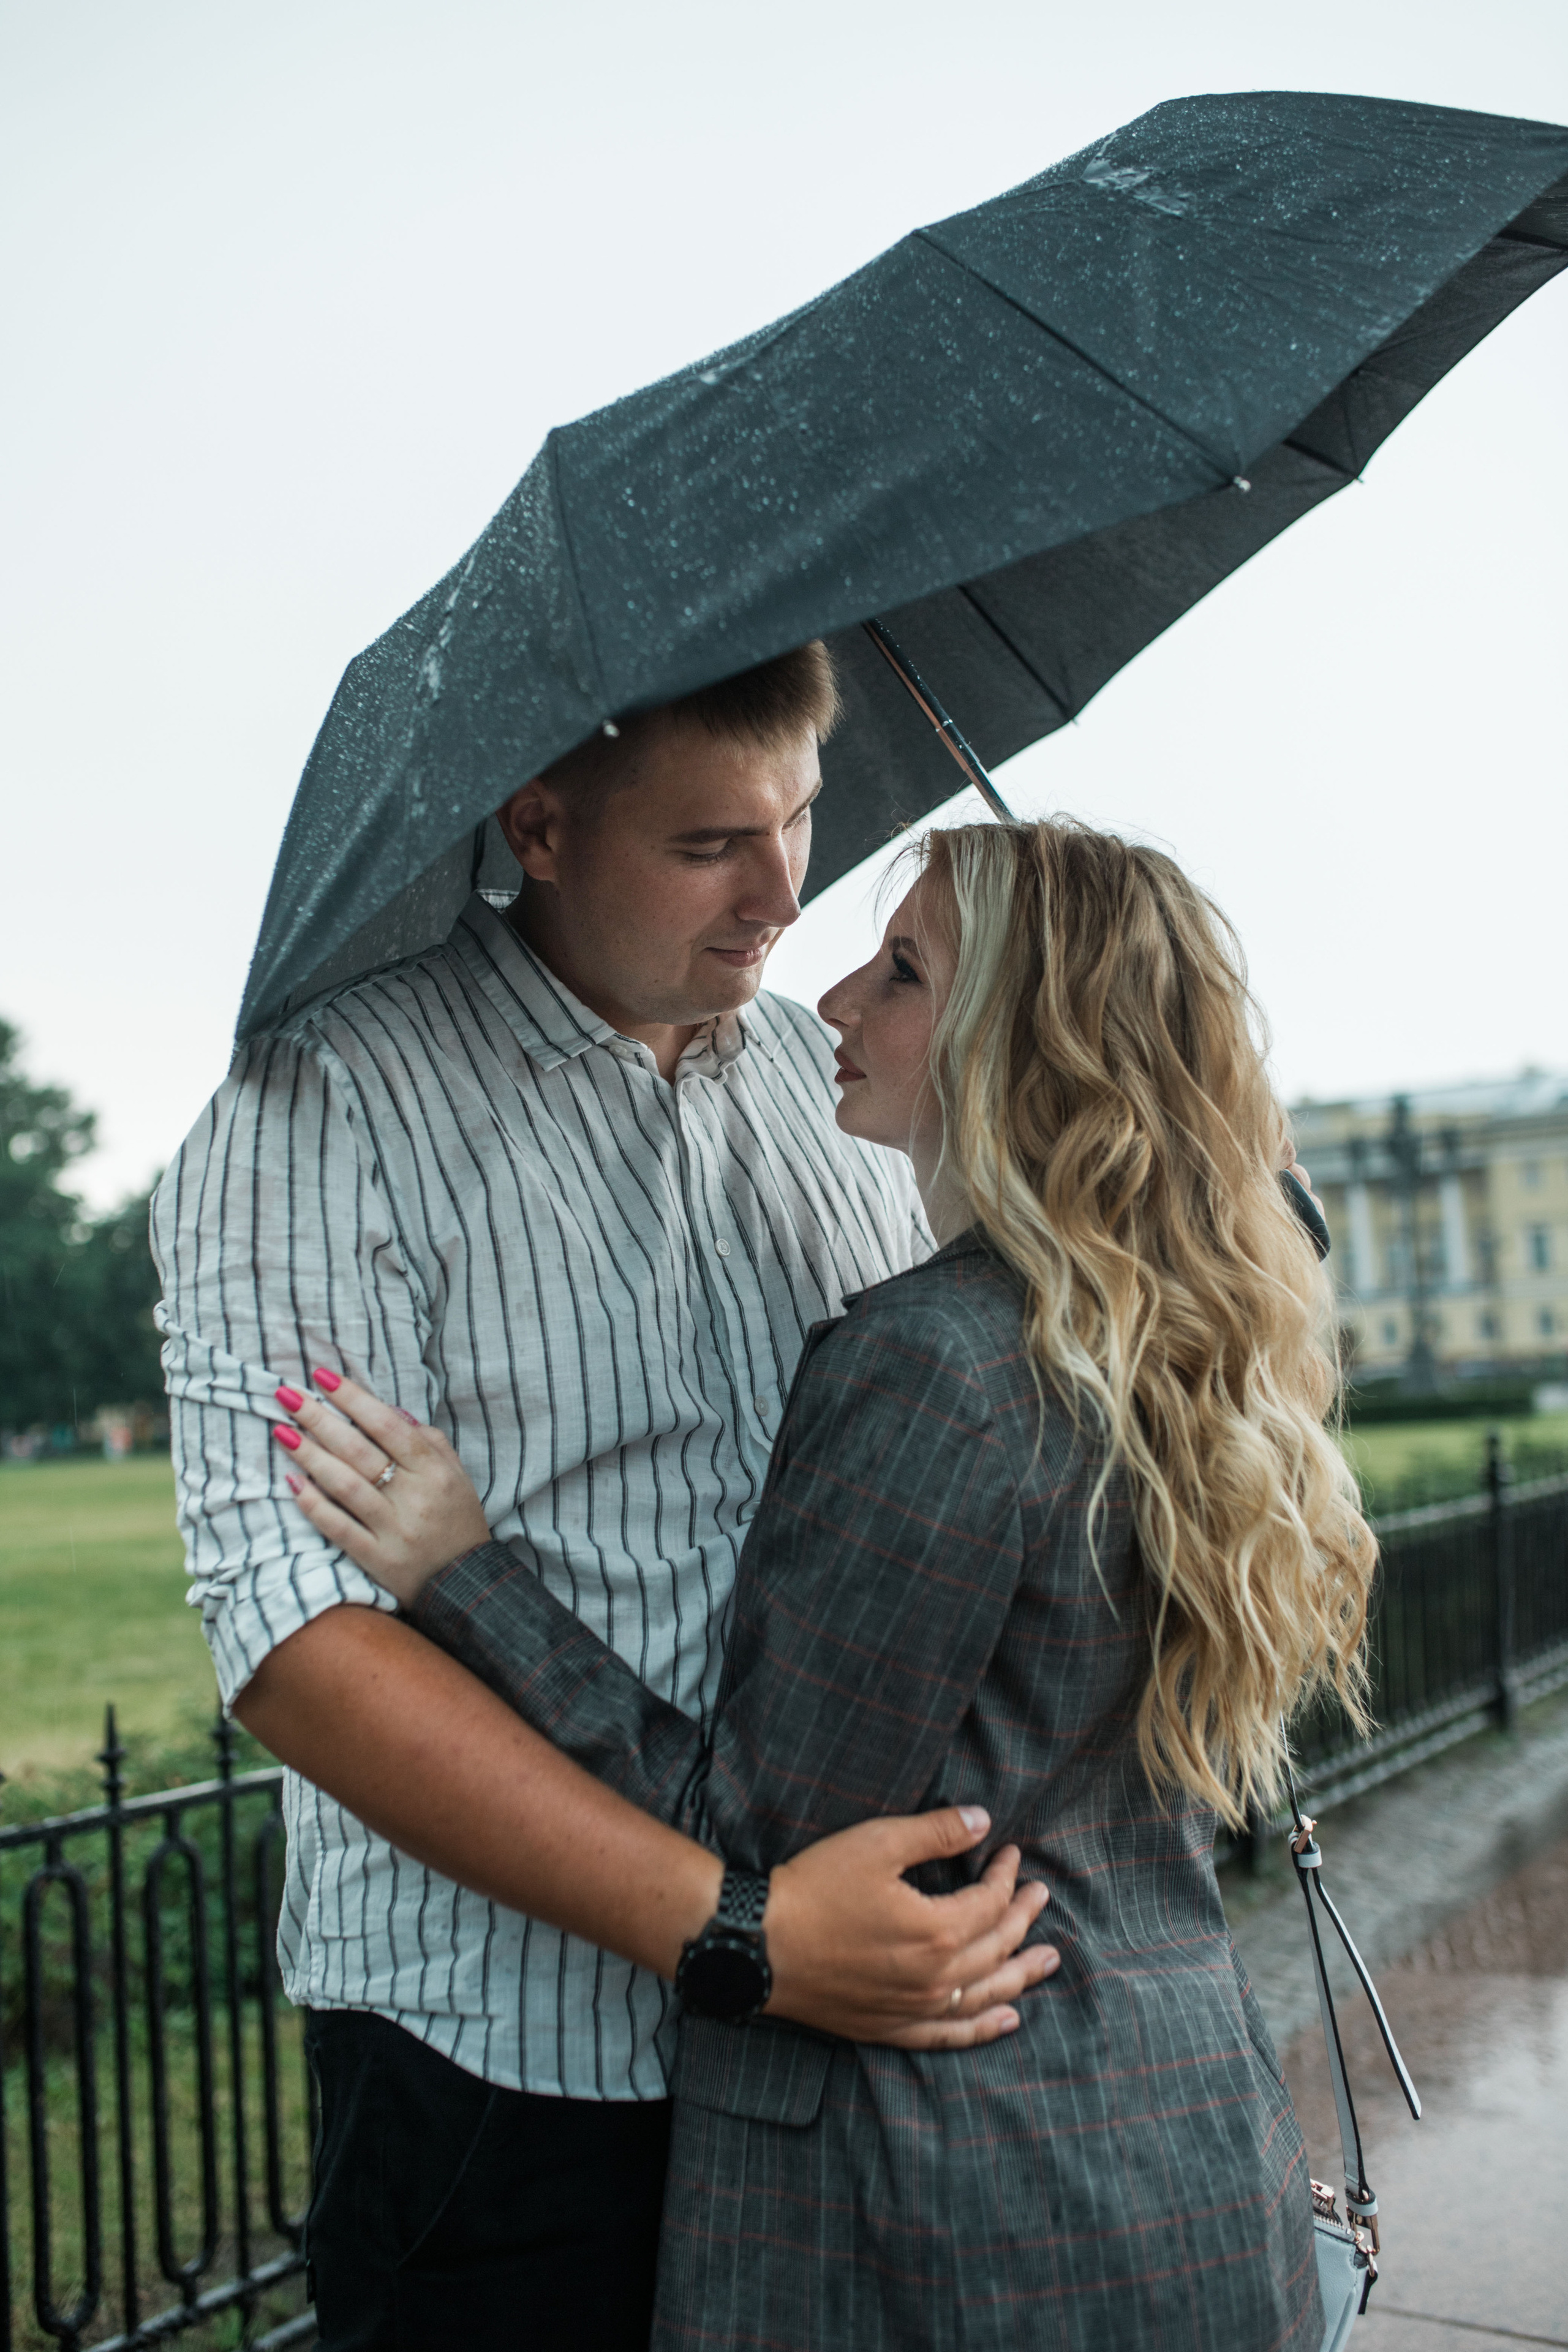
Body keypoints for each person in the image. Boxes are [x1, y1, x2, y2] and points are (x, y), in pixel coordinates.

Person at [279, 815, 1376, 2351]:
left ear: (1024, 1044)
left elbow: (746, 1854)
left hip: (950, 2208)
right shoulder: (1194, 1344)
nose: (839, 1002)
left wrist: (470, 1577)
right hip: (1189, 2150)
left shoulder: (938, 1366)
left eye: (906, 971)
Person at [150, 645, 1054, 2352]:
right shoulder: (317, 1107)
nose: (784, 893)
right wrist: (738, 1934)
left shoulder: (832, 1072)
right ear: (541, 823)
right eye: (713, 843)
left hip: (846, 2056)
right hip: (508, 2071)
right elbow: (297, 1644)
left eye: (800, 819)